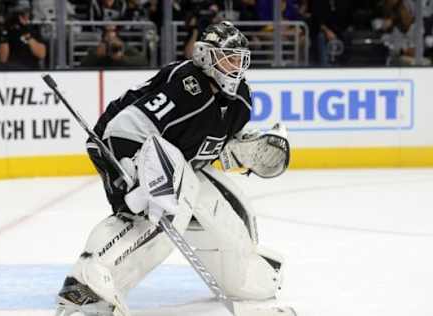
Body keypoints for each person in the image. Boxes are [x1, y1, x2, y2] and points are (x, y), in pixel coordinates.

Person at [55, 21, 293, 316]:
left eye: (239, 58)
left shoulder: (241, 101)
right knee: (158, 212)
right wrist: (132, 169)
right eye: (228, 57)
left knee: (226, 212)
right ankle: (86, 287)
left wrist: (240, 149)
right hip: (120, 145)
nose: (235, 65)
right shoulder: (185, 84)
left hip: (177, 160)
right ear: (206, 56)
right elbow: (125, 127)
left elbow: (205, 145)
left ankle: (246, 276)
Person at [0, 1, 47, 69]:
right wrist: (4, 34)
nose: (26, 16)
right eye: (22, 14)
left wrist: (26, 33)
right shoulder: (3, 32)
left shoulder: (33, 30)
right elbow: (3, 59)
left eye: (26, 13)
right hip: (10, 71)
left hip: (31, 70)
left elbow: (41, 54)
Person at [80, 26, 148, 68]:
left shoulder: (126, 48)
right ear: (103, 40)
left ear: (118, 39)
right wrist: (96, 56)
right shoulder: (97, 50)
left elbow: (143, 62)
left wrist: (122, 58)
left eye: (113, 39)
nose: (110, 43)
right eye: (108, 40)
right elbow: (82, 65)